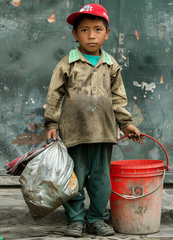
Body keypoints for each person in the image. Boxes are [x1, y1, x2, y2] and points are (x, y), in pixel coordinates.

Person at [44, 3, 143, 237]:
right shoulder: (67, 63)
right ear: (75, 34)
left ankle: (96, 218)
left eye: (98, 29)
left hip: (103, 133)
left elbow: (118, 98)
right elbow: (55, 94)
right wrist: (52, 123)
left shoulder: (111, 64)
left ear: (107, 34)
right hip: (75, 133)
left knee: (101, 181)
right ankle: (75, 220)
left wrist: (126, 123)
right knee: (74, 181)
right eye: (85, 30)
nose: (91, 35)